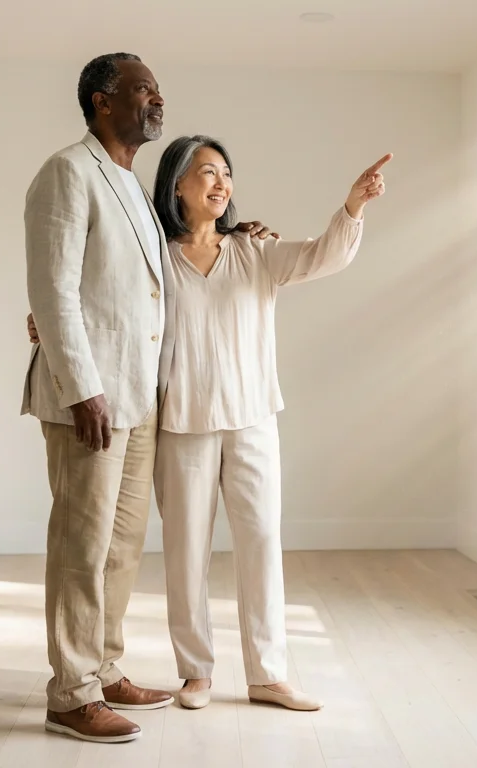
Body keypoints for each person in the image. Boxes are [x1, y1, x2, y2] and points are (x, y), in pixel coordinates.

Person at [29, 136, 389, 712]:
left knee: (262, 545)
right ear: (176, 186)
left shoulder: (254, 251)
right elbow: (108, 298)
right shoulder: (157, 260)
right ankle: (196, 672)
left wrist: (354, 207)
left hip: (252, 421)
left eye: (225, 173)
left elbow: (324, 254)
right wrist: (41, 319)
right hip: (182, 424)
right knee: (186, 553)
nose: (221, 183)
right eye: (206, 173)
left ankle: (269, 674)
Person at [22, 53, 277, 744]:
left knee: (123, 545)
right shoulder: (68, 173)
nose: (156, 101)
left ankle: (103, 669)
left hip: (141, 399)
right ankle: (70, 692)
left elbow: (167, 270)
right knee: (83, 542)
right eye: (142, 91)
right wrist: (82, 389)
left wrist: (236, 232)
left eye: (158, 91)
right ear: (104, 102)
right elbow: (53, 291)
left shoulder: (132, 188)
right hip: (92, 398)